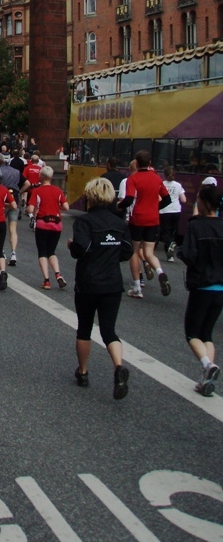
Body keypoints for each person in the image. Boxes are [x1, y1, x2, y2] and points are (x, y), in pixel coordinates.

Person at [67, 177, 134, 399]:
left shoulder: (84, 222)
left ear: (90, 197)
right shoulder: (120, 223)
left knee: (84, 328)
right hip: (112, 283)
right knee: (109, 330)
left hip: (88, 282)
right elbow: (127, 251)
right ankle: (117, 366)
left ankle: (83, 371)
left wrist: (71, 245)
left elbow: (81, 249)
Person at [178, 184, 223, 397]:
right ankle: (206, 378)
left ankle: (207, 365)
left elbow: (189, 255)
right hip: (221, 288)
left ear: (203, 203)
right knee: (207, 333)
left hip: (202, 285)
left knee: (192, 333)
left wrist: (179, 252)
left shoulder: (196, 226)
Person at [119, 150, 172, 299]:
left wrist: (119, 206)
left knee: (134, 251)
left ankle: (137, 288)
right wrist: (155, 208)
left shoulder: (133, 179)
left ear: (136, 163)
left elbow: (129, 199)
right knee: (149, 252)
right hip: (153, 219)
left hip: (138, 218)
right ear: (150, 163)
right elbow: (167, 200)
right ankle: (160, 271)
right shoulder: (157, 179)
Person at [26, 166, 69, 289]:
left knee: (42, 252)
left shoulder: (37, 191)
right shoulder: (58, 190)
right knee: (52, 251)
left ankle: (46, 280)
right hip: (56, 224)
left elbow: (30, 208)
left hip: (42, 223)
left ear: (42, 176)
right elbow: (66, 207)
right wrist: (57, 207)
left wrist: (30, 209)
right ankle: (58, 274)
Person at [159, 167, 186, 262]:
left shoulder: (162, 184)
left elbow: (159, 198)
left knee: (165, 232)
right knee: (172, 231)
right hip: (176, 210)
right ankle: (170, 255)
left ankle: (170, 244)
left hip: (164, 210)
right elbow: (184, 200)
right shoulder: (178, 185)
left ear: (165, 175)